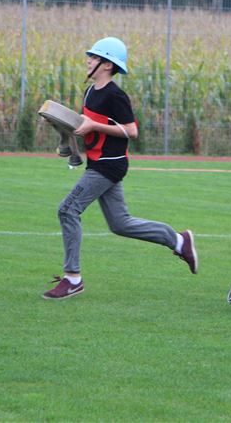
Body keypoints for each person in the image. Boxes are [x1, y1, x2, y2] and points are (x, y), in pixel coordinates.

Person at [43, 37, 197, 300]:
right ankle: (179, 241)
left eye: (94, 57)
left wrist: (94, 126)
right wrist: (65, 132)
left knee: (67, 210)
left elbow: (131, 131)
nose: (89, 60)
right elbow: (86, 127)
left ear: (107, 65)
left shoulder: (115, 95)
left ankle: (73, 279)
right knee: (120, 224)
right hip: (97, 163)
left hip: (109, 165)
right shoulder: (90, 92)